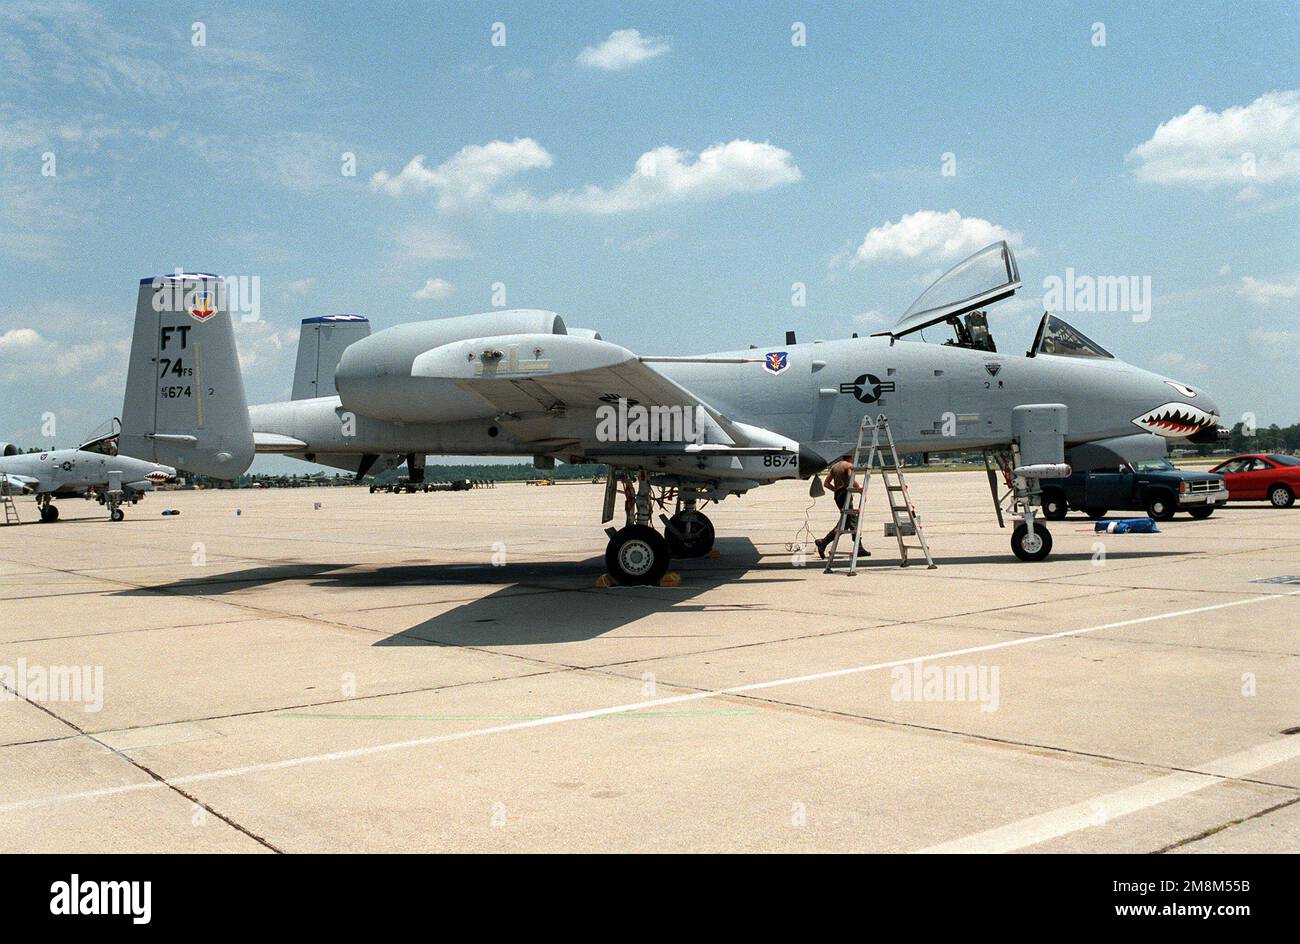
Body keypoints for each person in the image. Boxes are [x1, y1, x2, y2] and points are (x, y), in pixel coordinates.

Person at [815, 457, 870, 559]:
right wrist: (859, 489)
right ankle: (823, 542)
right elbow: (851, 478)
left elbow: (826, 483)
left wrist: (836, 490)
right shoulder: (848, 466)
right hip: (845, 495)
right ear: (850, 458)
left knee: (847, 522)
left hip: (838, 496)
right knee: (850, 519)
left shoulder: (835, 466)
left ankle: (859, 547)